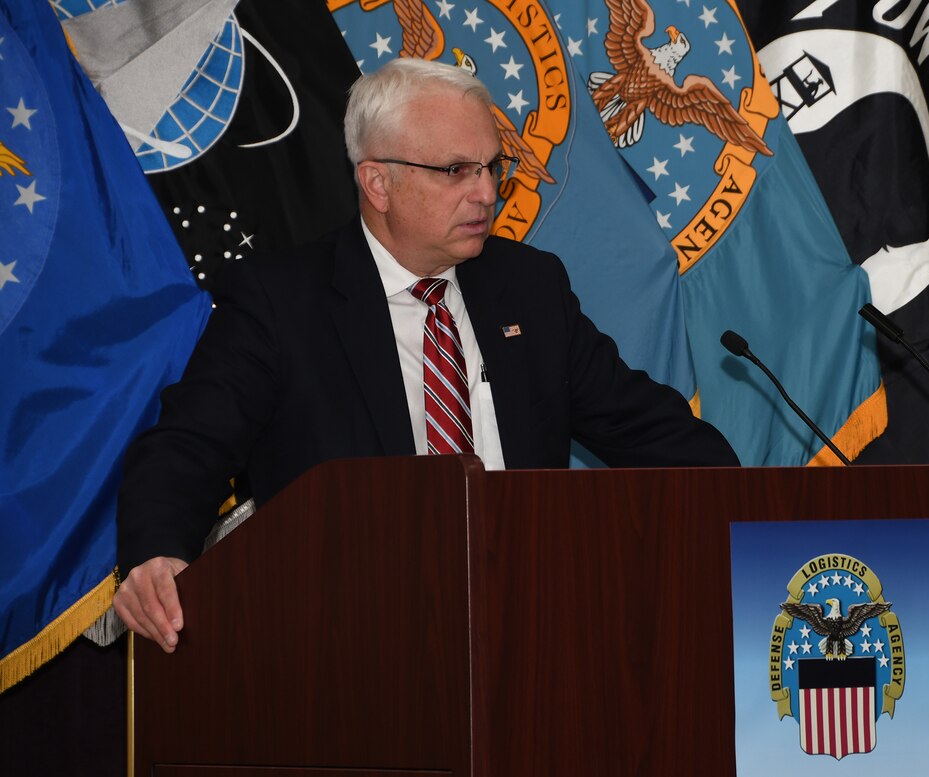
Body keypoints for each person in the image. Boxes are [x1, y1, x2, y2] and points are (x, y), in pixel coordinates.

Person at [113, 58, 739, 652]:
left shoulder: (528, 286)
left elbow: (646, 428)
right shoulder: (282, 301)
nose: (486, 192)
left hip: (533, 627)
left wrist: (764, 508)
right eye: (456, 171)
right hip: (352, 640)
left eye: (493, 168)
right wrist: (156, 554)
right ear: (377, 182)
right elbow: (188, 446)